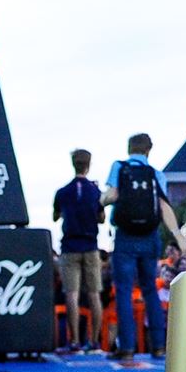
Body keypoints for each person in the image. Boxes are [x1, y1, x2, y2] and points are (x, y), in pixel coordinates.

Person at [100, 133, 186, 361]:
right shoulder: (155, 174)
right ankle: (159, 346)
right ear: (149, 150)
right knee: (150, 289)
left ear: (129, 149)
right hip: (149, 237)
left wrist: (100, 202)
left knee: (123, 290)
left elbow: (112, 194)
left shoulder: (119, 167)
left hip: (125, 238)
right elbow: (163, 205)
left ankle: (127, 347)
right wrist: (178, 235)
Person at [53, 149, 105, 353]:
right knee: (94, 294)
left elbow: (55, 216)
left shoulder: (63, 191)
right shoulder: (95, 191)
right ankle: (94, 341)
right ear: (88, 165)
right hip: (90, 246)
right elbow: (101, 218)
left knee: (71, 294)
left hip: (69, 247)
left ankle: (74, 341)